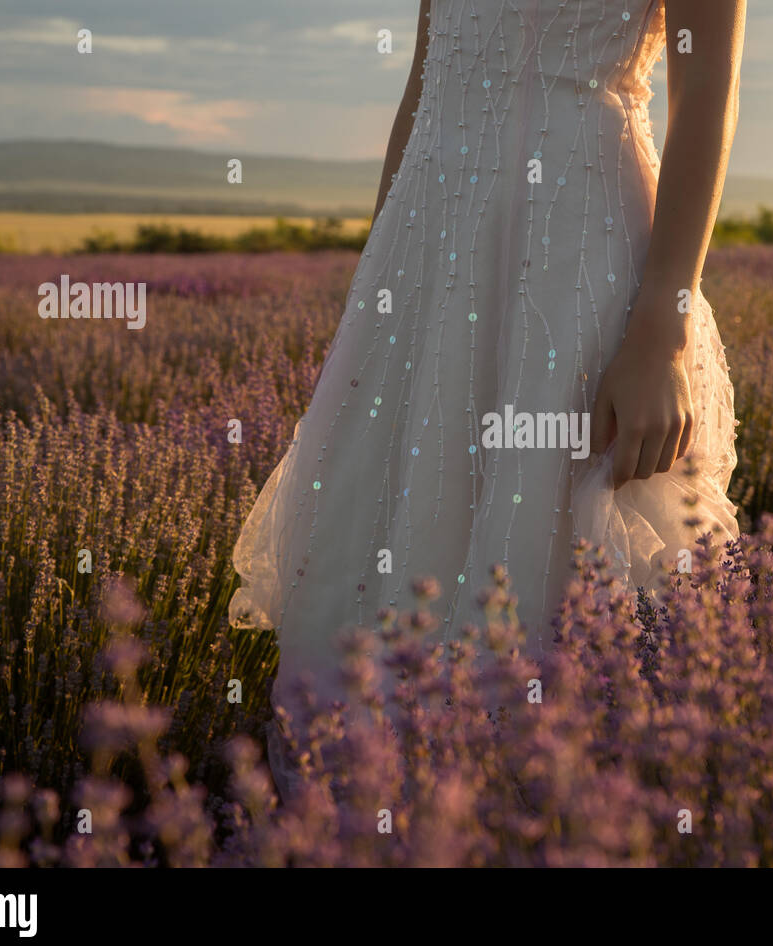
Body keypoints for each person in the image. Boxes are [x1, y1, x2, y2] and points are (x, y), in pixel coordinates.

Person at [230, 0, 746, 796]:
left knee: (555, 556)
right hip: (429, 247)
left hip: (577, 256)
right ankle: (376, 810)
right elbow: (425, 86)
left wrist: (662, 334)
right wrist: (382, 290)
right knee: (390, 536)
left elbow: (707, 99)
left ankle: (541, 808)